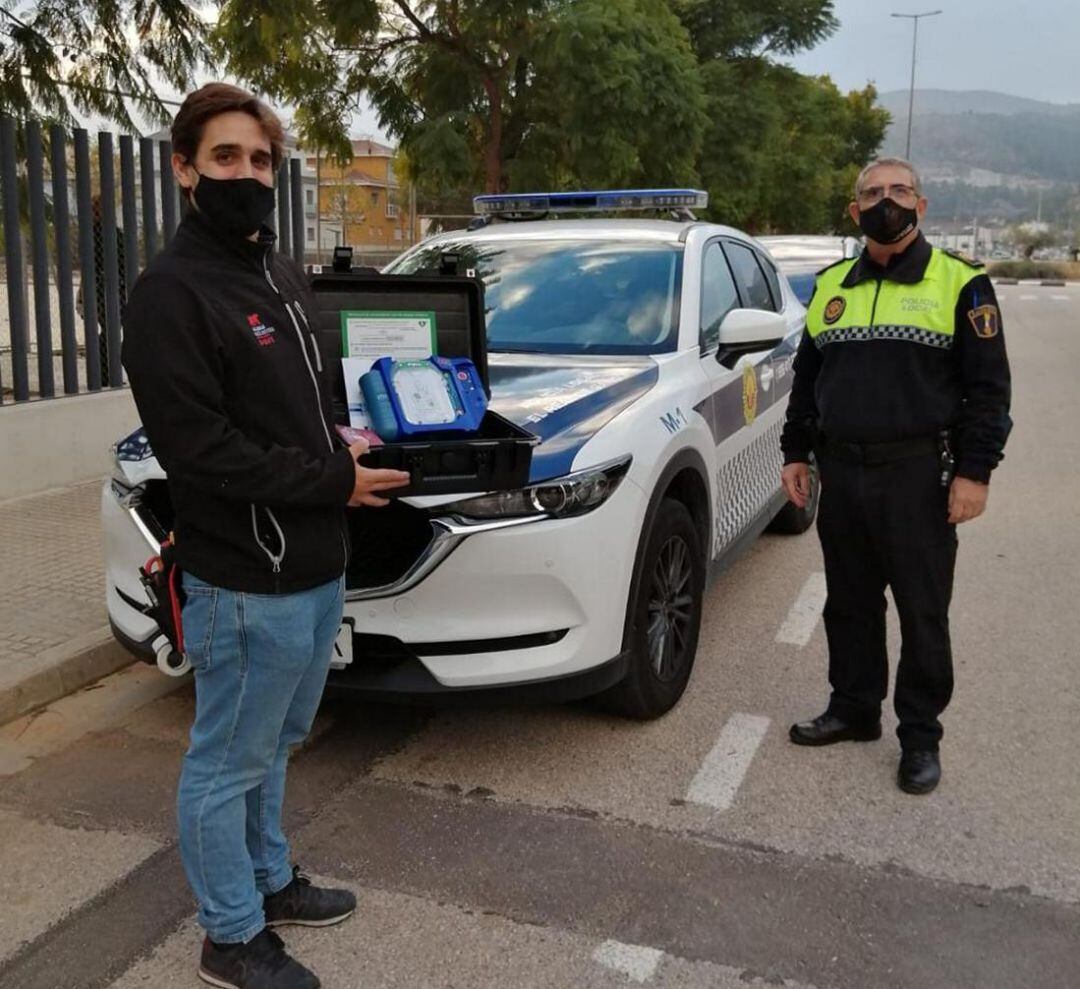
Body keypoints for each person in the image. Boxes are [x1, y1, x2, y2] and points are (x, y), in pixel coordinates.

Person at [122, 83, 410, 989]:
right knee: (225, 760)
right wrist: (334, 478)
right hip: (245, 579)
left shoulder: (275, 271)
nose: (247, 175)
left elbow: (306, 403)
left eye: (259, 159)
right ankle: (230, 935)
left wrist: (344, 440)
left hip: (315, 564)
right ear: (184, 169)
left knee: (273, 745)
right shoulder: (170, 294)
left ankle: (269, 880)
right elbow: (202, 453)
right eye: (225, 158)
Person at [780, 157, 1011, 796]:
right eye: (873, 194)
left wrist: (974, 472)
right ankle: (854, 710)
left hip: (919, 475)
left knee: (921, 610)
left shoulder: (960, 283)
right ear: (855, 212)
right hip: (843, 474)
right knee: (849, 604)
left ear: (922, 205)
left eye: (899, 191)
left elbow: (989, 391)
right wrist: (795, 451)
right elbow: (808, 379)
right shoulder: (831, 287)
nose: (888, 201)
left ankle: (920, 737)